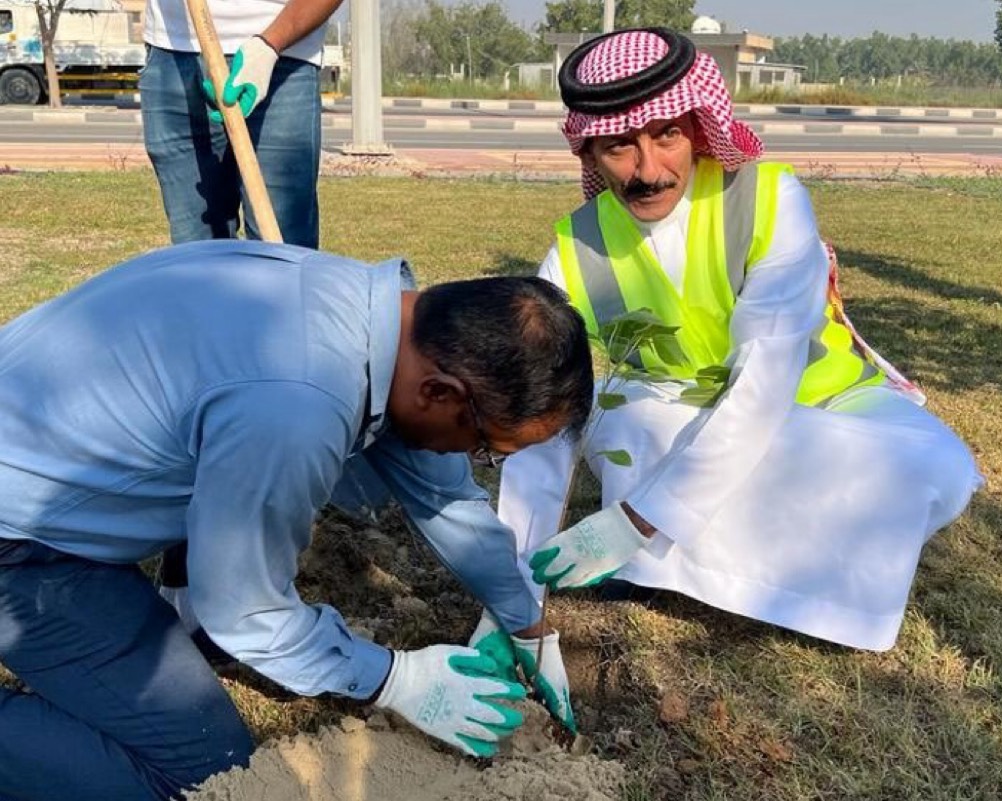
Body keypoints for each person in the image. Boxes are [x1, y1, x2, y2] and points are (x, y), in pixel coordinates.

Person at [0, 240, 590, 800]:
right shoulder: (297, 407)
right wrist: (396, 679)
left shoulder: (372, 317)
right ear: (439, 394)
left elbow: (447, 500)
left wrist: (526, 624)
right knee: (202, 772)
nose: (474, 461)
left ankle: (175, 608)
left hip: (51, 461)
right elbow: (246, 611)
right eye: (486, 449)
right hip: (20, 543)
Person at [498, 28, 982, 653]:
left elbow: (766, 377)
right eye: (619, 146)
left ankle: (659, 550)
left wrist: (641, 519)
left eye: (667, 136)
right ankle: (655, 565)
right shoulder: (573, 250)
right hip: (668, 408)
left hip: (822, 395)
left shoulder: (771, 199)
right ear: (589, 150)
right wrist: (513, 597)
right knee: (633, 426)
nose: (649, 171)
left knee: (937, 468)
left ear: (698, 129)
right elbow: (540, 416)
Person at [139, 0, 341, 247]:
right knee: (197, 253)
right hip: (174, 48)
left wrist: (269, 47)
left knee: (282, 254)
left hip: (286, 54)